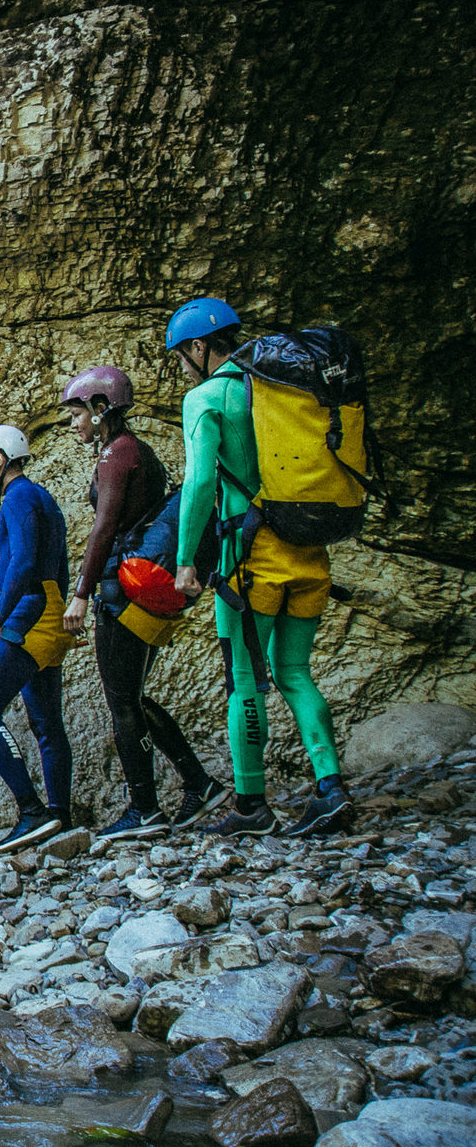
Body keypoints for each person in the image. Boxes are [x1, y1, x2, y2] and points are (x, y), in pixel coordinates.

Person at [167, 298, 351, 837]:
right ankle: (331, 788)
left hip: (250, 563)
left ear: (201, 347)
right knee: (295, 672)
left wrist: (184, 561)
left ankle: (250, 804)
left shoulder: (207, 396)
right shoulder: (285, 391)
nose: (182, 365)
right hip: (310, 552)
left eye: (182, 354)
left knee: (245, 679)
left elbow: (200, 482)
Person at [60, 368, 228, 840]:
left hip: (122, 591)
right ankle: (199, 783)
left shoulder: (117, 455)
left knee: (121, 702)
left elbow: (103, 529)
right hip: (144, 589)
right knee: (131, 695)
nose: (74, 425)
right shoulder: (139, 452)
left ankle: (145, 809)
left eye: (77, 415)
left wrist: (80, 594)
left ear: (99, 408)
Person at [0, 425, 78, 854]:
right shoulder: (41, 497)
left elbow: (23, 563)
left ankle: (31, 811)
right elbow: (57, 563)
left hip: (27, 616)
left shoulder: (17, 497)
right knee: (47, 724)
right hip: (48, 612)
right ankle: (59, 815)